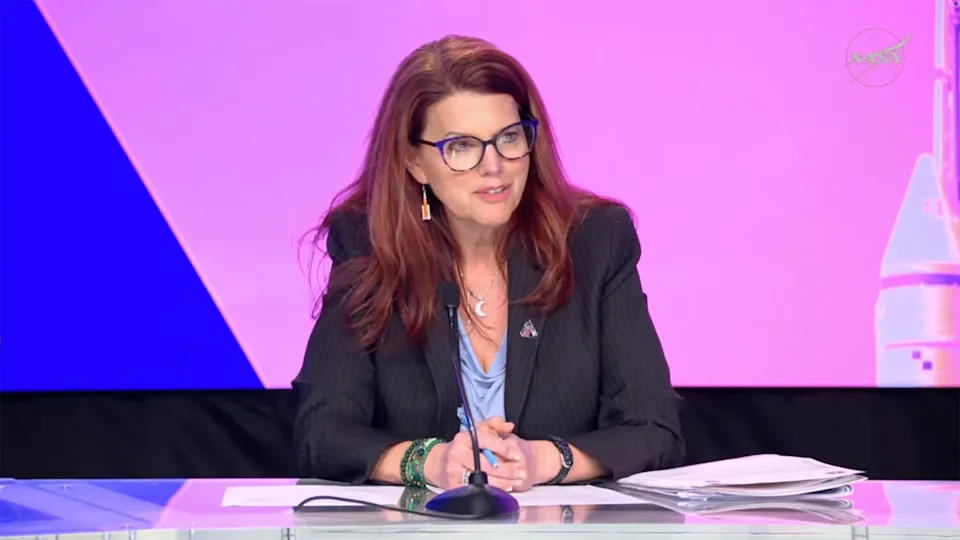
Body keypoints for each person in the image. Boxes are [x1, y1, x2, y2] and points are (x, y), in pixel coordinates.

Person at [293, 35, 684, 492]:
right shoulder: (370, 245)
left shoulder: (595, 241)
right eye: (462, 146)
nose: (493, 165)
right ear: (414, 163)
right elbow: (322, 434)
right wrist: (429, 462)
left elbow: (654, 430)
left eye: (509, 138)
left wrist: (544, 460)